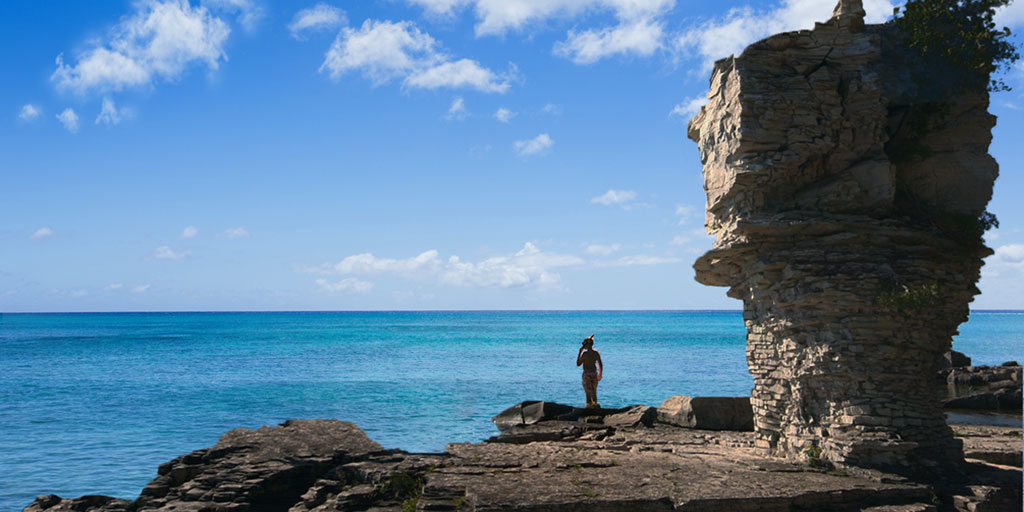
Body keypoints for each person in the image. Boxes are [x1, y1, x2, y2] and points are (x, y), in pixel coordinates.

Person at [576, 334, 603, 408]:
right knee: (594, 392)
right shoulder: (596, 353)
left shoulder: (585, 354)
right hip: (594, 373)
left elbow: (578, 364)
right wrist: (600, 374)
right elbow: (600, 364)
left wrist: (579, 352)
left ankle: (589, 407)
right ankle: (595, 405)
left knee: (588, 392)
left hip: (587, 374)